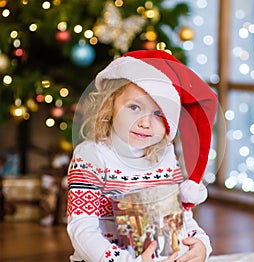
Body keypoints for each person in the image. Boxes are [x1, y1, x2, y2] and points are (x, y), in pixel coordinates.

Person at [67, 49, 217, 262]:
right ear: (110, 105)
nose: (145, 123)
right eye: (134, 107)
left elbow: (181, 218)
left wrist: (201, 243)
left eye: (158, 114)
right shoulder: (91, 156)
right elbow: (81, 228)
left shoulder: (164, 156)